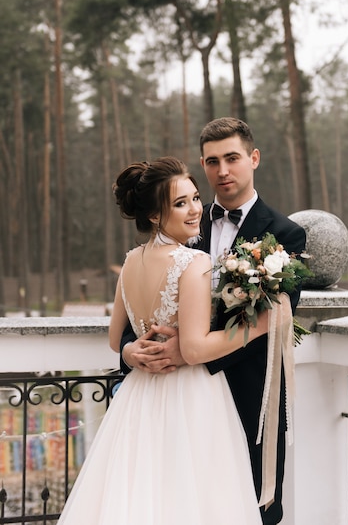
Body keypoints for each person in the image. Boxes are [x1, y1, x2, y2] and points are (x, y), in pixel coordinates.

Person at [57, 156, 267, 525]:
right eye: (180, 203)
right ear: (155, 214)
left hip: (140, 395)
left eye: (195, 198)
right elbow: (195, 349)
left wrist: (131, 350)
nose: (194, 210)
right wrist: (260, 326)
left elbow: (113, 338)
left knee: (143, 493)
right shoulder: (194, 262)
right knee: (194, 498)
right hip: (190, 395)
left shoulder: (132, 260)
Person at [121, 118, 306, 525]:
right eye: (211, 161)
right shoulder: (183, 220)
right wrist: (130, 350)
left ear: (253, 159)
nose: (222, 170)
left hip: (249, 393)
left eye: (232, 158)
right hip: (177, 402)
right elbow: (140, 312)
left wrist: (191, 352)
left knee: (255, 508)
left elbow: (276, 319)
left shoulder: (286, 234)